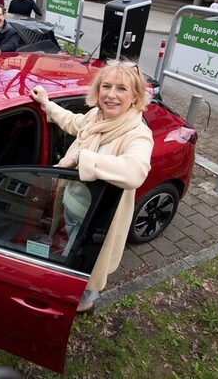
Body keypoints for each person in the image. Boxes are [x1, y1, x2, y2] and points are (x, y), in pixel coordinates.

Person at [30, 61, 154, 313]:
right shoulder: (95, 116)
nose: (111, 94)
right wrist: (47, 104)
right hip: (73, 205)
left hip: (96, 221)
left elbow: (135, 171)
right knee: (71, 251)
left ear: (135, 97)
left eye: (121, 88)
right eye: (106, 86)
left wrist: (82, 158)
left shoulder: (137, 133)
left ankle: (85, 302)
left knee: (88, 263)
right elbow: (74, 123)